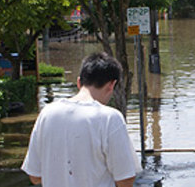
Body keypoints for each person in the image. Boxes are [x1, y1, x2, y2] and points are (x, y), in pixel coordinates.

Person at [22, 52, 142, 187]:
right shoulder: (110, 118)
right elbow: (125, 180)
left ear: (79, 82)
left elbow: (35, 176)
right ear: (111, 85)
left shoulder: (46, 114)